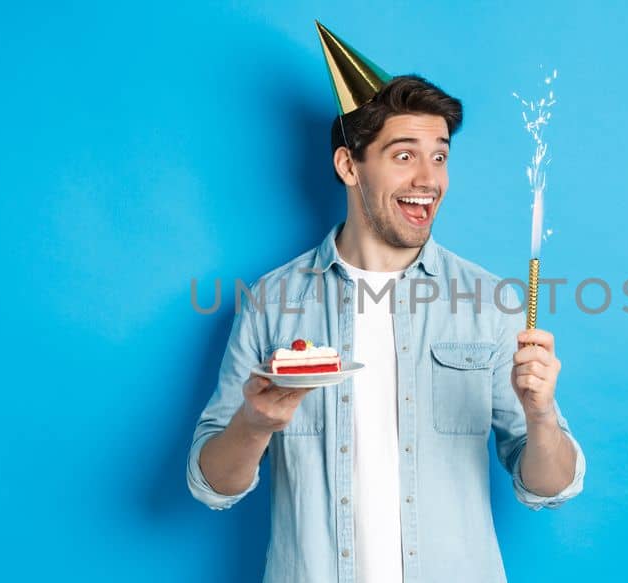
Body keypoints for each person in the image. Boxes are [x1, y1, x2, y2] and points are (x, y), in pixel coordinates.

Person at [186, 22, 586, 583]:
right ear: (350, 166)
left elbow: (549, 486)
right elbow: (211, 484)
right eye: (404, 156)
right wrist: (254, 425)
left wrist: (541, 415)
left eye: (440, 157)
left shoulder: (491, 304)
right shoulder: (272, 302)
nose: (429, 179)